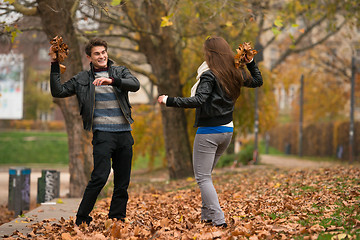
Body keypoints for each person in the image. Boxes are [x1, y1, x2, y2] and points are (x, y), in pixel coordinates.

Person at [157, 36, 263, 227]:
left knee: (202, 177)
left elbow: (198, 100)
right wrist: (251, 63)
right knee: (206, 175)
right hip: (227, 131)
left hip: (209, 132)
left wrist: (168, 100)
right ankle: (206, 217)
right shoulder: (234, 72)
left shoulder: (209, 75)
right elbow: (257, 81)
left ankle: (218, 220)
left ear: (210, 53)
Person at [49, 38, 140, 226]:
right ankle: (82, 218)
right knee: (99, 176)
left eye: (104, 52)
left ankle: (117, 218)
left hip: (124, 133)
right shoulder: (83, 79)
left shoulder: (119, 71)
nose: (102, 56)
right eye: (97, 53)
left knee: (122, 182)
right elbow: (58, 92)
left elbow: (135, 84)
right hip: (103, 134)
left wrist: (112, 81)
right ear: (89, 57)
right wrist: (55, 64)